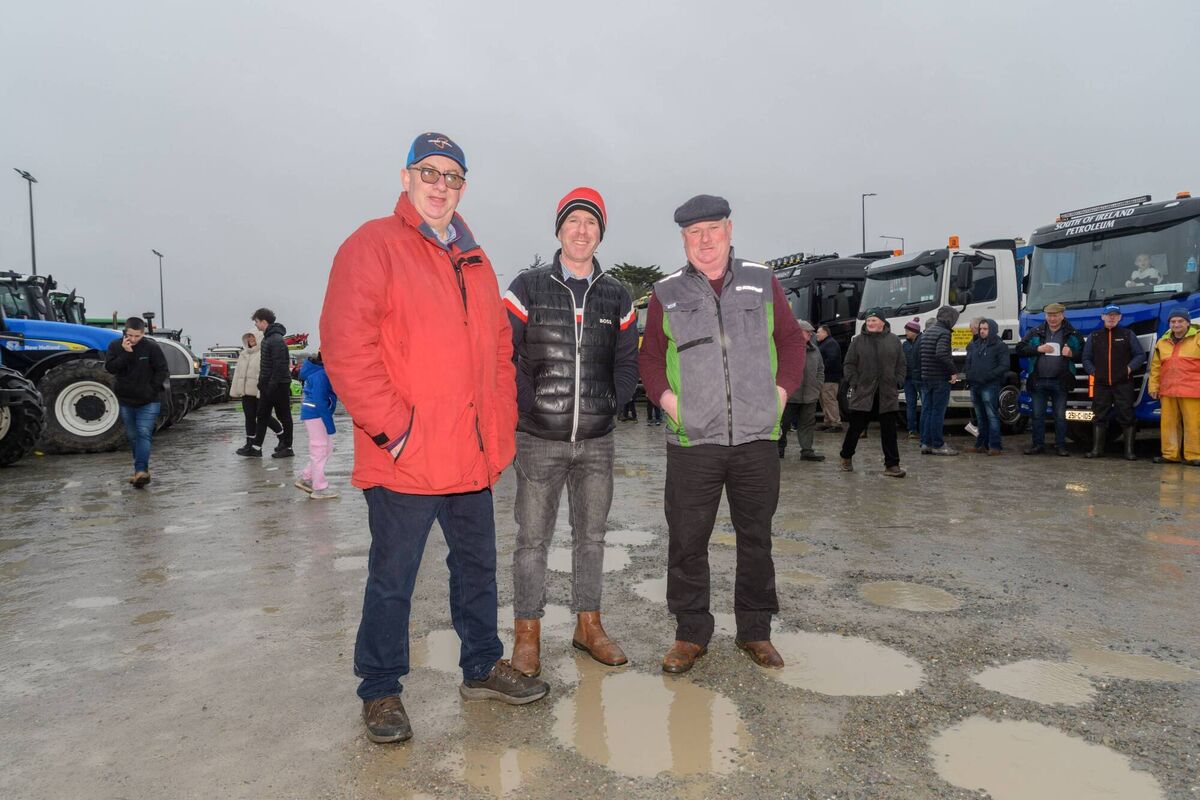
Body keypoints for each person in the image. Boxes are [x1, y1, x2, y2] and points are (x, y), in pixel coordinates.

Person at [319, 132, 547, 745]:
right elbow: (347, 348)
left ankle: (481, 665)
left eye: (452, 176)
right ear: (406, 177)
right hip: (407, 457)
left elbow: (499, 352)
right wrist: (396, 432)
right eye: (429, 172)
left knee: (477, 570)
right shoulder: (372, 245)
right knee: (393, 578)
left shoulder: (476, 259)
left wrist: (498, 430)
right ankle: (380, 687)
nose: (440, 185)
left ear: (462, 187)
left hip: (470, 454)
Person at [639, 194, 806, 674]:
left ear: (729, 230)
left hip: (756, 439)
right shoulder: (666, 292)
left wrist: (780, 394)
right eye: (694, 232)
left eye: (713, 228)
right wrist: (670, 404)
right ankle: (690, 633)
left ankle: (755, 630)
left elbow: (790, 341)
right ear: (683, 239)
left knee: (757, 538)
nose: (705, 239)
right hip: (693, 443)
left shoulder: (762, 280)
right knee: (687, 541)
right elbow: (650, 357)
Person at [502, 187, 639, 677]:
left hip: (597, 442)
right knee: (531, 541)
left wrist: (611, 403)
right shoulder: (527, 287)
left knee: (592, 537)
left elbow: (628, 362)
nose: (582, 231)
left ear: (600, 233)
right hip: (539, 439)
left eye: (591, 223)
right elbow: (503, 353)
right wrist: (529, 404)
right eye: (573, 222)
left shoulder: (617, 295)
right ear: (559, 230)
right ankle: (527, 634)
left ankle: (589, 625)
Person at [838, 308, 906, 476]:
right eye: (868, 321)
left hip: (887, 393)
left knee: (889, 432)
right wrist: (855, 381)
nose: (870, 323)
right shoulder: (858, 341)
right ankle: (846, 456)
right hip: (864, 393)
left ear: (882, 322)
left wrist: (898, 380)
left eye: (873, 320)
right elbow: (849, 364)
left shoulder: (894, 340)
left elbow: (901, 364)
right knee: (855, 429)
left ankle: (892, 465)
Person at [104, 317, 168, 488]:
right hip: (126, 400)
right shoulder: (115, 346)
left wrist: (151, 389)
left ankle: (141, 471)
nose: (133, 339)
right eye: (130, 335)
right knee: (133, 437)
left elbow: (162, 370)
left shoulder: (151, 347)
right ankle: (139, 470)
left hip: (149, 400)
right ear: (125, 332)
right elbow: (110, 368)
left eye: (137, 336)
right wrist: (126, 353)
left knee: (143, 433)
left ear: (143, 333)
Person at [1082, 304, 1146, 460]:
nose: (1112, 317)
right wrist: (1094, 372)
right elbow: (1086, 358)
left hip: (1123, 383)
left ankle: (1129, 452)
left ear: (1120, 317)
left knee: (1127, 415)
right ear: (1102, 317)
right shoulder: (1094, 336)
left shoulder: (1127, 334)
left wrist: (1129, 369)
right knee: (1099, 415)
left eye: (1115, 315)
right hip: (1101, 384)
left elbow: (1140, 355)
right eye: (1109, 315)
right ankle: (1097, 450)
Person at [1018, 302, 1082, 456]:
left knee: (1060, 416)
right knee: (1037, 415)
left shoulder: (1072, 333)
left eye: (1055, 315)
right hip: (1038, 380)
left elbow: (1085, 353)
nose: (1052, 319)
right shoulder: (1035, 332)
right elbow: (1020, 349)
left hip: (1060, 381)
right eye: (1049, 315)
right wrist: (1037, 349)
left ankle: (1060, 446)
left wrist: (1072, 354)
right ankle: (1037, 445)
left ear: (1062, 316)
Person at [236, 308, 294, 458]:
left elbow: (279, 365)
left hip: (278, 385)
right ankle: (256, 448)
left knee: (284, 416)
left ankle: (287, 447)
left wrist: (271, 385)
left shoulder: (275, 339)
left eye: (256, 321)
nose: (255, 325)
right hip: (268, 385)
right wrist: (263, 384)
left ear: (264, 321)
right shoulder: (269, 338)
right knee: (262, 416)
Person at [1147, 306, 1200, 465]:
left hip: (1192, 390)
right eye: (1173, 321)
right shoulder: (1162, 342)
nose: (1176, 324)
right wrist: (1153, 386)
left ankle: (1194, 456)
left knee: (1193, 423)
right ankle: (1170, 455)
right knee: (1168, 423)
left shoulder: (1197, 338)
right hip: (1168, 389)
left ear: (1188, 323)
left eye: (1180, 321)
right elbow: (1156, 367)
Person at [228, 331, 283, 452]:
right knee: (249, 417)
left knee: (265, 417)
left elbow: (266, 373)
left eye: (253, 336)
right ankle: (250, 443)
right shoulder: (243, 354)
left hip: (259, 391)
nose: (250, 339)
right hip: (246, 392)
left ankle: (282, 436)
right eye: (248, 337)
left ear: (259, 338)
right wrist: (235, 390)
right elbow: (237, 374)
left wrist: (263, 391)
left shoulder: (263, 353)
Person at [918, 305, 961, 456]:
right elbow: (941, 354)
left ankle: (925, 443)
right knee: (938, 412)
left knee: (927, 411)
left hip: (926, 377)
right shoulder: (944, 333)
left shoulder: (927, 332)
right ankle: (938, 444)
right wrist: (953, 372)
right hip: (939, 378)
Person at [296, 351, 339, 499]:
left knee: (326, 448)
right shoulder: (321, 374)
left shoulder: (317, 371)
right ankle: (319, 488)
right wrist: (329, 424)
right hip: (316, 413)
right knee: (320, 449)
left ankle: (307, 478)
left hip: (314, 413)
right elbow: (320, 400)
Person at [779, 319, 825, 461]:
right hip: (790, 396)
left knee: (807, 424)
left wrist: (817, 386)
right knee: (783, 424)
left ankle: (807, 451)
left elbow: (820, 370)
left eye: (811, 332)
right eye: (807, 332)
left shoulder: (815, 350)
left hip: (810, 395)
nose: (811, 334)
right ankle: (779, 448)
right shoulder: (785, 348)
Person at [963, 318, 1008, 455]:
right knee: (980, 417)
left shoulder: (1000, 346)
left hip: (990, 385)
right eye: (981, 329)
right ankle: (981, 444)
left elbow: (1004, 366)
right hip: (975, 385)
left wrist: (988, 376)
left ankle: (995, 446)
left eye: (985, 329)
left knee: (992, 416)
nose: (982, 331)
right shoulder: (975, 344)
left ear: (992, 330)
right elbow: (968, 362)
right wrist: (969, 375)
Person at [815, 324, 843, 432]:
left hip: (830, 379)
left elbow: (832, 360)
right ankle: (828, 422)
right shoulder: (826, 343)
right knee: (824, 401)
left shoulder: (830, 344)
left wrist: (820, 369)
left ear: (825, 333)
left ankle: (836, 424)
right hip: (825, 378)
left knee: (829, 400)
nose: (816, 334)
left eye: (818, 332)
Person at [901, 318, 922, 438]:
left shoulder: (920, 342)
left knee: (923, 404)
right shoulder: (905, 344)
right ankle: (912, 430)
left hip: (919, 378)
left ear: (914, 331)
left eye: (908, 331)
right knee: (910, 404)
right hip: (908, 378)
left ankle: (920, 429)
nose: (906, 333)